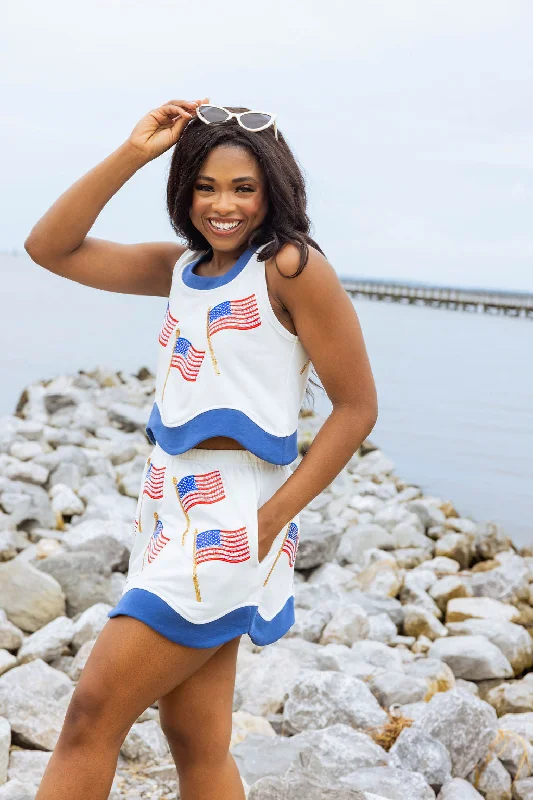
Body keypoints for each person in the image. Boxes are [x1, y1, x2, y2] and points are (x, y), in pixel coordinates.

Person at [25, 98, 378, 800]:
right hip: (165, 508)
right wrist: (134, 151)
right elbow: (49, 247)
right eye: (205, 186)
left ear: (273, 189)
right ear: (183, 189)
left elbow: (357, 407)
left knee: (91, 716)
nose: (224, 206)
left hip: (231, 517)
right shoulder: (181, 269)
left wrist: (272, 519)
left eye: (244, 188)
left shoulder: (290, 268)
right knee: (195, 737)